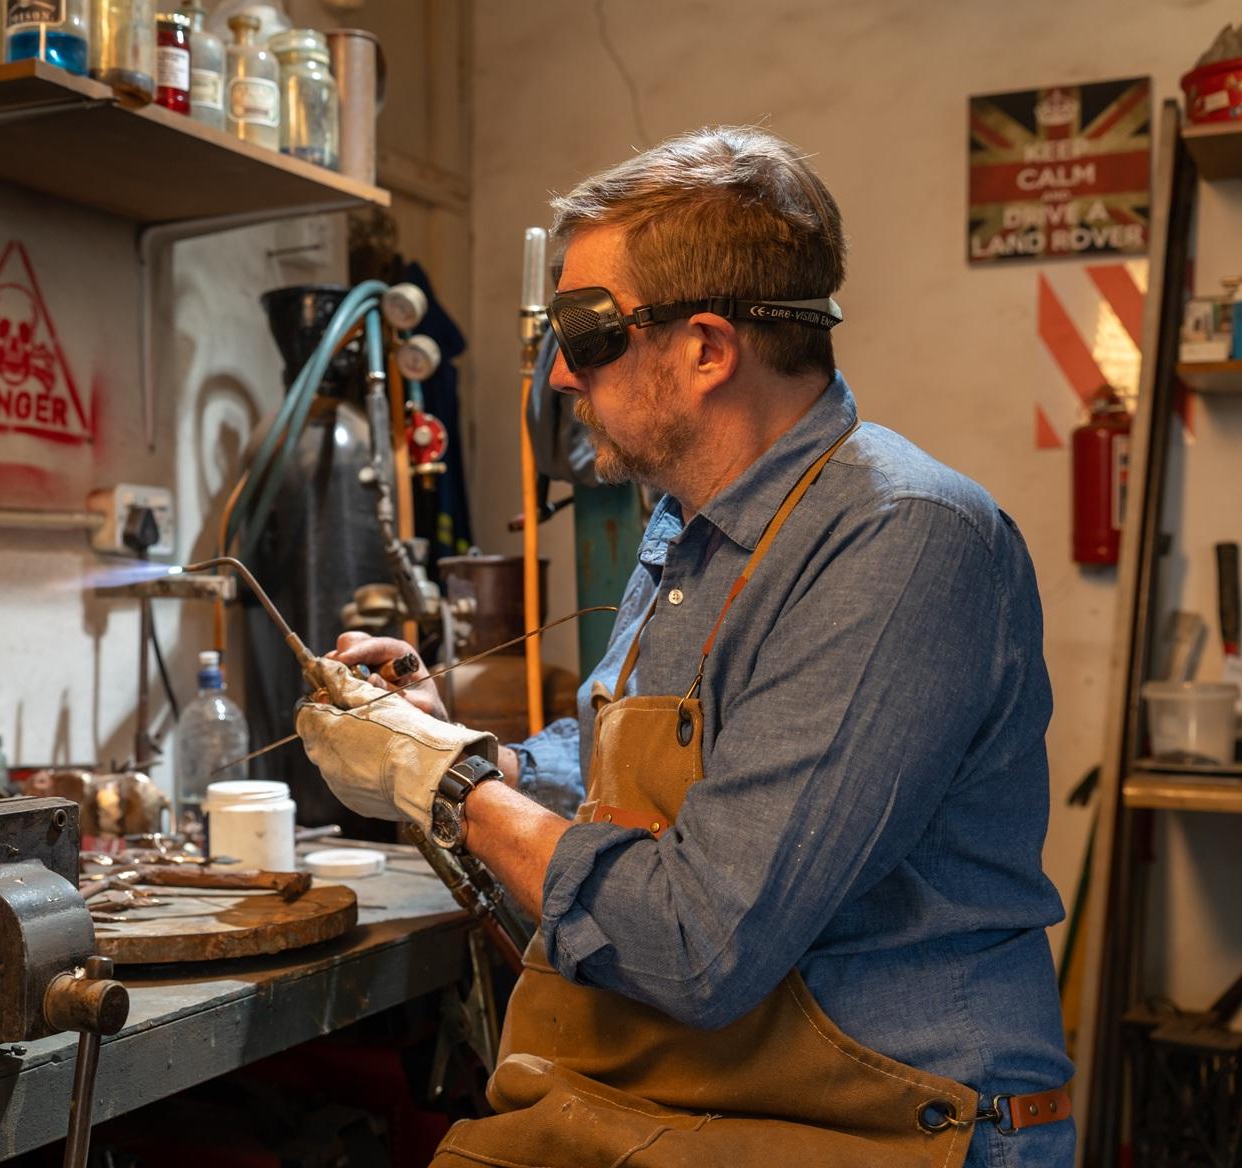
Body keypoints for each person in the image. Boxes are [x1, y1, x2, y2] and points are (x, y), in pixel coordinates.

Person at [295, 126, 1075, 1167]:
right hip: (700, 1097)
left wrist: (442, 786)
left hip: (881, 1123)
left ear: (708, 348)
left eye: (588, 335)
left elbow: (699, 942)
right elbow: (667, 777)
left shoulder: (902, 540)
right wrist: (484, 754)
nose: (564, 377)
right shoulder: (690, 526)